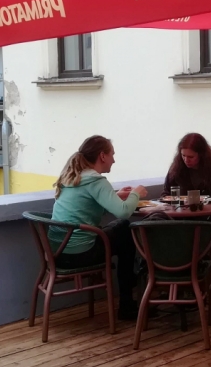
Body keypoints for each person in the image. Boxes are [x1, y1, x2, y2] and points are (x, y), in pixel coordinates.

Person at [50, 135, 147, 320]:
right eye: (112, 155)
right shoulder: (96, 181)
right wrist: (136, 193)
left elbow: (86, 206)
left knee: (120, 229)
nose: (114, 160)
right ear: (102, 156)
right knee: (126, 229)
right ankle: (128, 300)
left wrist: (115, 196)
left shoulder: (72, 177)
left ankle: (131, 285)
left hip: (59, 253)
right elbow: (124, 212)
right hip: (81, 254)